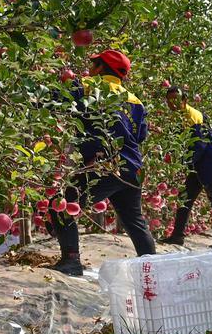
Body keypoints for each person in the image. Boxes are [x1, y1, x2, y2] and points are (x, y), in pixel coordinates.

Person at [49, 50, 156, 276]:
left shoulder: (87, 86)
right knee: (134, 220)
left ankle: (71, 261)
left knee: (61, 204)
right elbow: (141, 136)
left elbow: (53, 101)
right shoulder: (135, 101)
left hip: (104, 165)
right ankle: (153, 267)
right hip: (133, 167)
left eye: (93, 64)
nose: (89, 68)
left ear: (100, 68)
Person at [161, 87, 212, 248]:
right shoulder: (178, 117)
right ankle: (177, 236)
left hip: (211, 164)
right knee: (185, 200)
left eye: (176, 99)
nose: (172, 103)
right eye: (169, 100)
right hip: (196, 165)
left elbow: (198, 145)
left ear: (184, 100)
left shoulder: (193, 116)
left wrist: (182, 163)